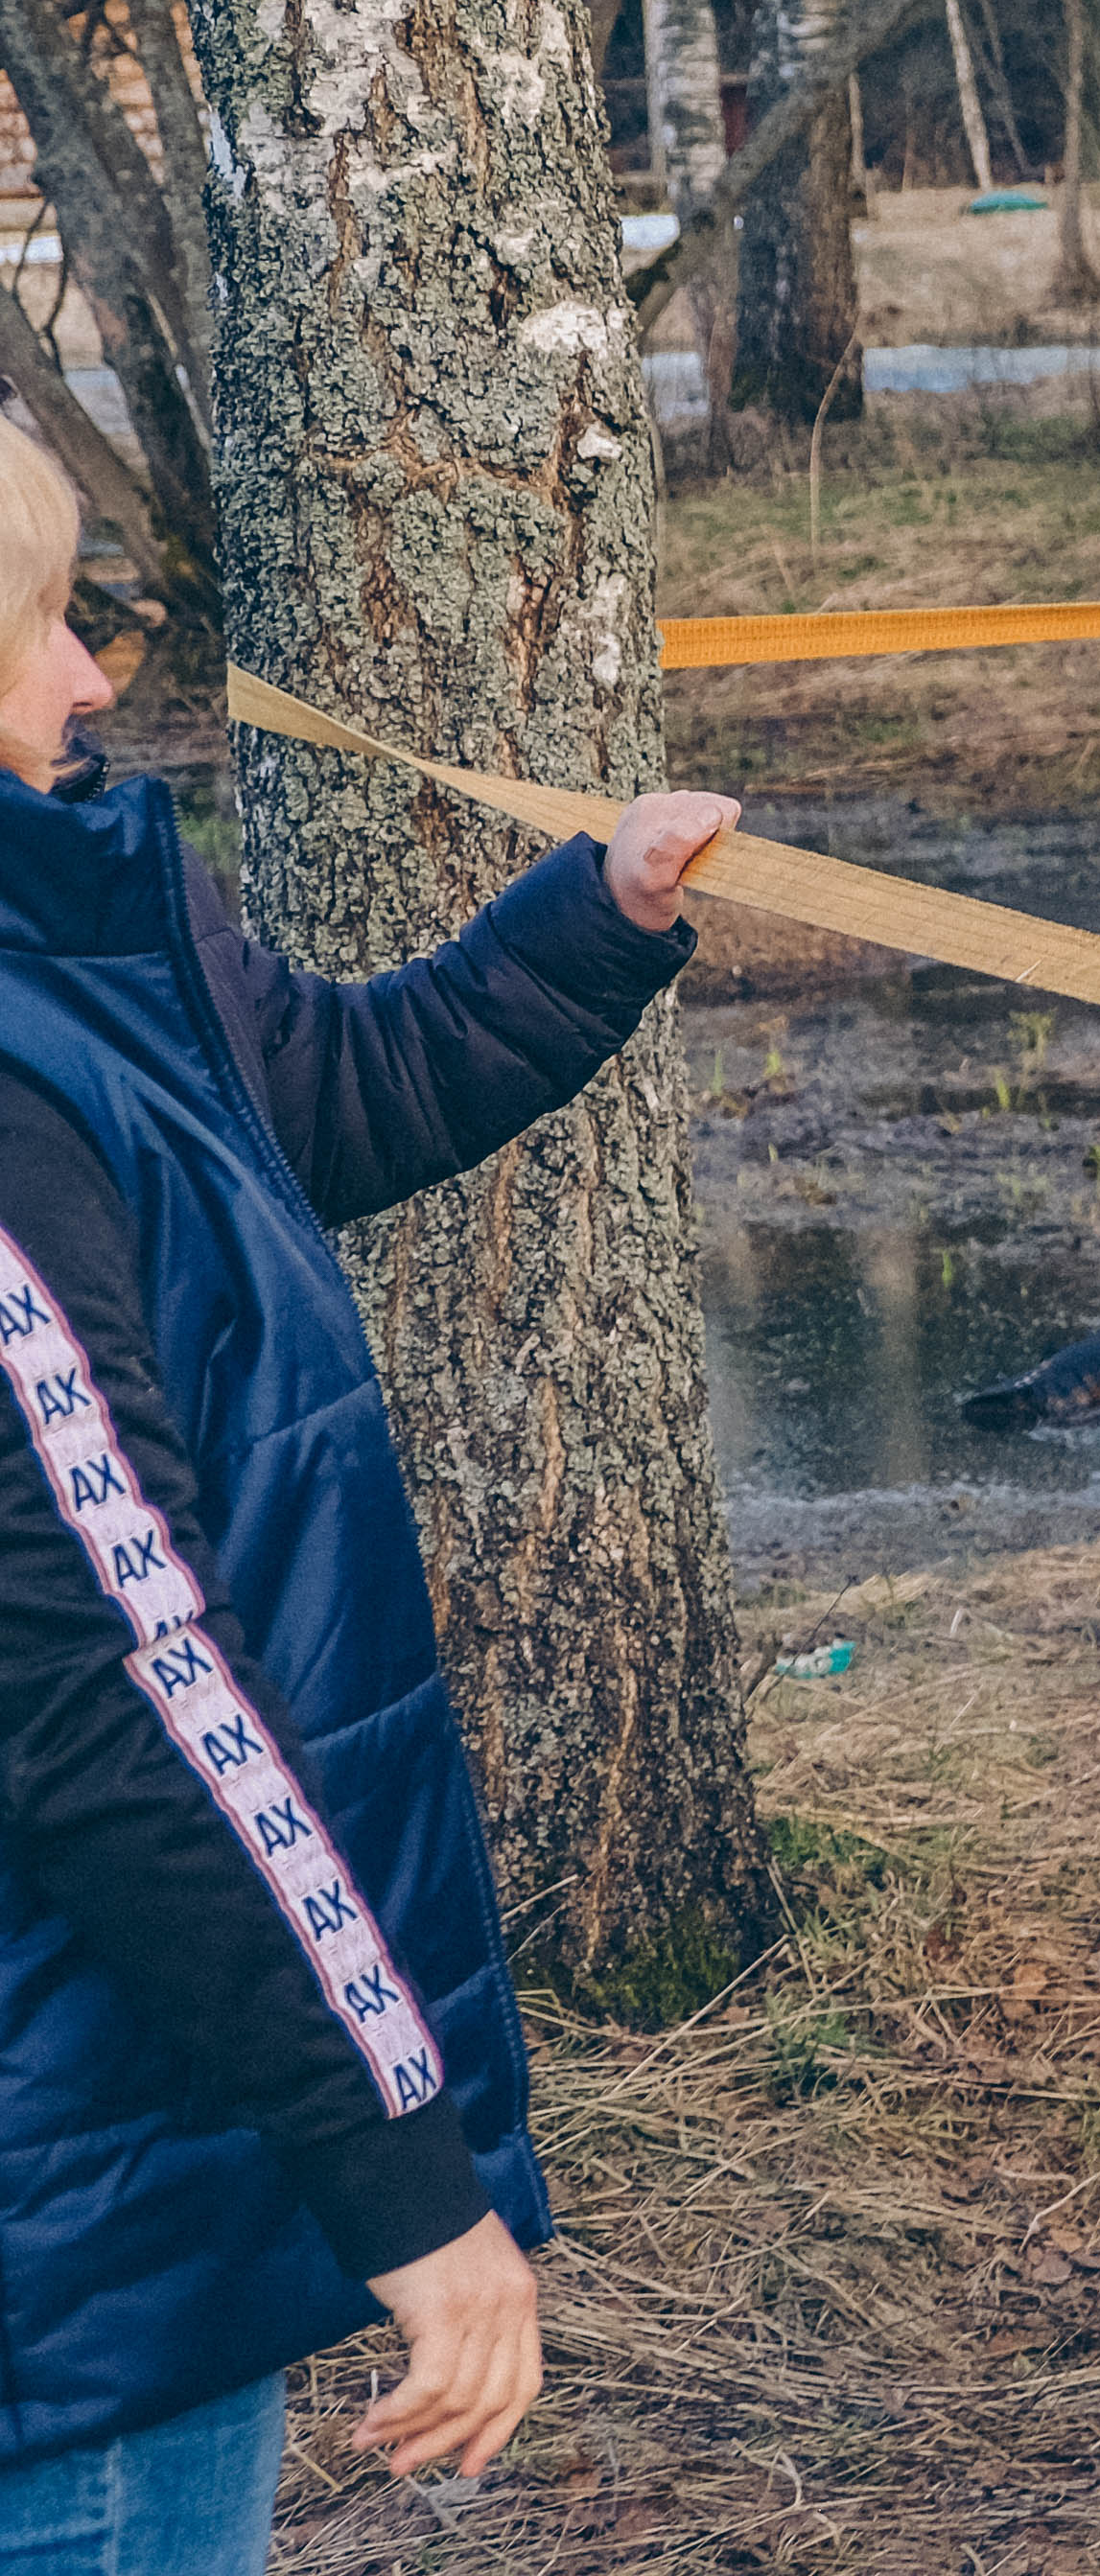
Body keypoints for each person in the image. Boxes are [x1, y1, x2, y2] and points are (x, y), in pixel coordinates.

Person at [0, 424, 738, 2558]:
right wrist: (405, 2177)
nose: (88, 678)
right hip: (70, 2225)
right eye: (38, 624)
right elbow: (118, 1695)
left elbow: (311, 1099)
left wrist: (595, 917)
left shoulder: (73, 945)